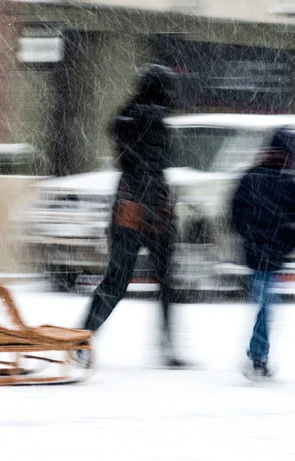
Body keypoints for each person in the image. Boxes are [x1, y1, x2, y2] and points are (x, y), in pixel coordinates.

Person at [74, 64, 189, 369]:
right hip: (151, 211)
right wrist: (157, 211)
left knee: (115, 281)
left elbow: (131, 163)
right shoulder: (154, 121)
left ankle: (81, 338)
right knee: (165, 281)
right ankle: (167, 348)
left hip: (125, 206)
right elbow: (151, 168)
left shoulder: (127, 116)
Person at [228, 128, 295, 380]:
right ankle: (258, 357)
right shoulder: (290, 182)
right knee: (266, 305)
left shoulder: (251, 176)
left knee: (264, 304)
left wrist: (247, 237)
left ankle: (258, 355)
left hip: (254, 253)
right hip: (273, 255)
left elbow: (232, 214)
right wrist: (287, 246)